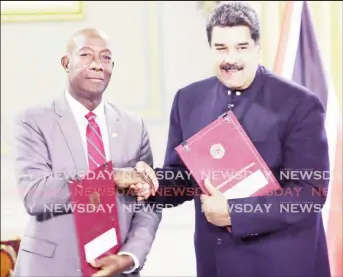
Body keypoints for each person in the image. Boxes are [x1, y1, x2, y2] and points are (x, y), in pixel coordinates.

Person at [122, 2, 331, 277]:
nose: (230, 58)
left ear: (257, 46)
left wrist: (235, 212)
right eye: (221, 48)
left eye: (241, 47)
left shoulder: (299, 103)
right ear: (210, 48)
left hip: (282, 263)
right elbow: (184, 178)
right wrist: (153, 184)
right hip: (216, 263)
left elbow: (309, 193)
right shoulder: (188, 100)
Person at [13, 28, 161, 277]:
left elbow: (149, 202)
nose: (97, 65)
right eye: (86, 55)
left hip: (117, 269)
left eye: (105, 58)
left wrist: (130, 256)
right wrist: (111, 178)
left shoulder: (134, 126)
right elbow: (36, 195)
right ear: (66, 62)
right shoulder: (33, 120)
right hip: (50, 268)